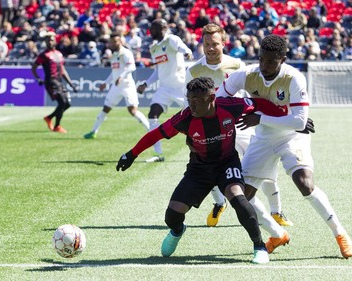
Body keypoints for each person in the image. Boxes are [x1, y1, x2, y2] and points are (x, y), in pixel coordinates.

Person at [117, 77, 289, 263]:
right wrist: (132, 154)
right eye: (190, 100)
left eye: (197, 101)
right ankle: (177, 231)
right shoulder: (184, 119)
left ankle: (259, 246)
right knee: (171, 215)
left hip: (227, 164)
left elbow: (260, 104)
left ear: (212, 97)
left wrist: (292, 119)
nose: (192, 105)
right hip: (198, 170)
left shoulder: (231, 106)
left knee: (239, 199)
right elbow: (156, 134)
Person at [215, 34, 352, 258]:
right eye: (261, 59)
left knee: (304, 183)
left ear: (283, 59)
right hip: (263, 138)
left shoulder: (294, 78)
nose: (264, 65)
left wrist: (259, 116)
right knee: (241, 195)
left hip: (291, 136)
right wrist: (247, 106)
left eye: (271, 61)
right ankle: (277, 234)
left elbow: (299, 122)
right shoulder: (247, 74)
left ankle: (341, 234)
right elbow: (220, 99)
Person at [185, 23, 293, 228]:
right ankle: (219, 203)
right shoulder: (194, 70)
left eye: (214, 44)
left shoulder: (236, 64)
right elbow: (188, 101)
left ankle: (277, 211)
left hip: (241, 125)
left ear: (223, 43)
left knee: (263, 165)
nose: (210, 48)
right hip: (211, 129)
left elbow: (249, 95)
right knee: (211, 168)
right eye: (206, 43)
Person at [136, 19, 193, 163]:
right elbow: (157, 70)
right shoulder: (154, 47)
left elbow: (183, 48)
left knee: (196, 117)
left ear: (163, 27)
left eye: (153, 28)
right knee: (152, 115)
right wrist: (146, 84)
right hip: (164, 88)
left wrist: (187, 53)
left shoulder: (171, 40)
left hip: (180, 87)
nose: (150, 31)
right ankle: (158, 153)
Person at [83, 33, 149, 139]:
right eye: (111, 42)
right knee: (106, 108)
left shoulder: (126, 53)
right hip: (116, 86)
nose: (112, 43)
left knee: (132, 110)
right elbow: (114, 72)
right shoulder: (114, 55)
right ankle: (93, 132)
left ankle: (150, 130)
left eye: (115, 41)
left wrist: (122, 76)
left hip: (127, 86)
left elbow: (132, 67)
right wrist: (106, 82)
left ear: (120, 41)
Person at [31, 32, 77, 133]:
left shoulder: (59, 54)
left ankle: (49, 117)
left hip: (59, 81)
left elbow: (63, 70)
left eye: (51, 40)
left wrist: (71, 84)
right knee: (62, 102)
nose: (49, 42)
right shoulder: (44, 55)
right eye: (47, 40)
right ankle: (57, 126)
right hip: (51, 82)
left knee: (68, 104)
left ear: (55, 41)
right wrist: (38, 78)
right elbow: (34, 68)